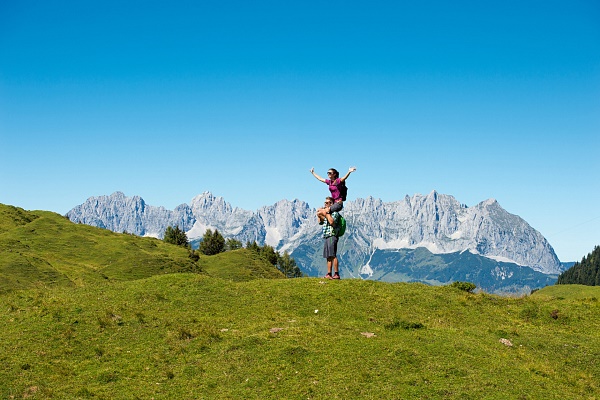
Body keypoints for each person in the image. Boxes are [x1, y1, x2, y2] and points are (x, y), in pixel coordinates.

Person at [319, 197, 341, 280]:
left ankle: (336, 274)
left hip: (332, 235)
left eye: (327, 203)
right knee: (328, 256)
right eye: (325, 203)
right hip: (327, 236)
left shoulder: (335, 213)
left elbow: (332, 222)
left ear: (332, 204)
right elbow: (320, 222)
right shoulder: (327, 213)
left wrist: (327, 212)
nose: (325, 204)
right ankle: (329, 274)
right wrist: (319, 214)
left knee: (333, 255)